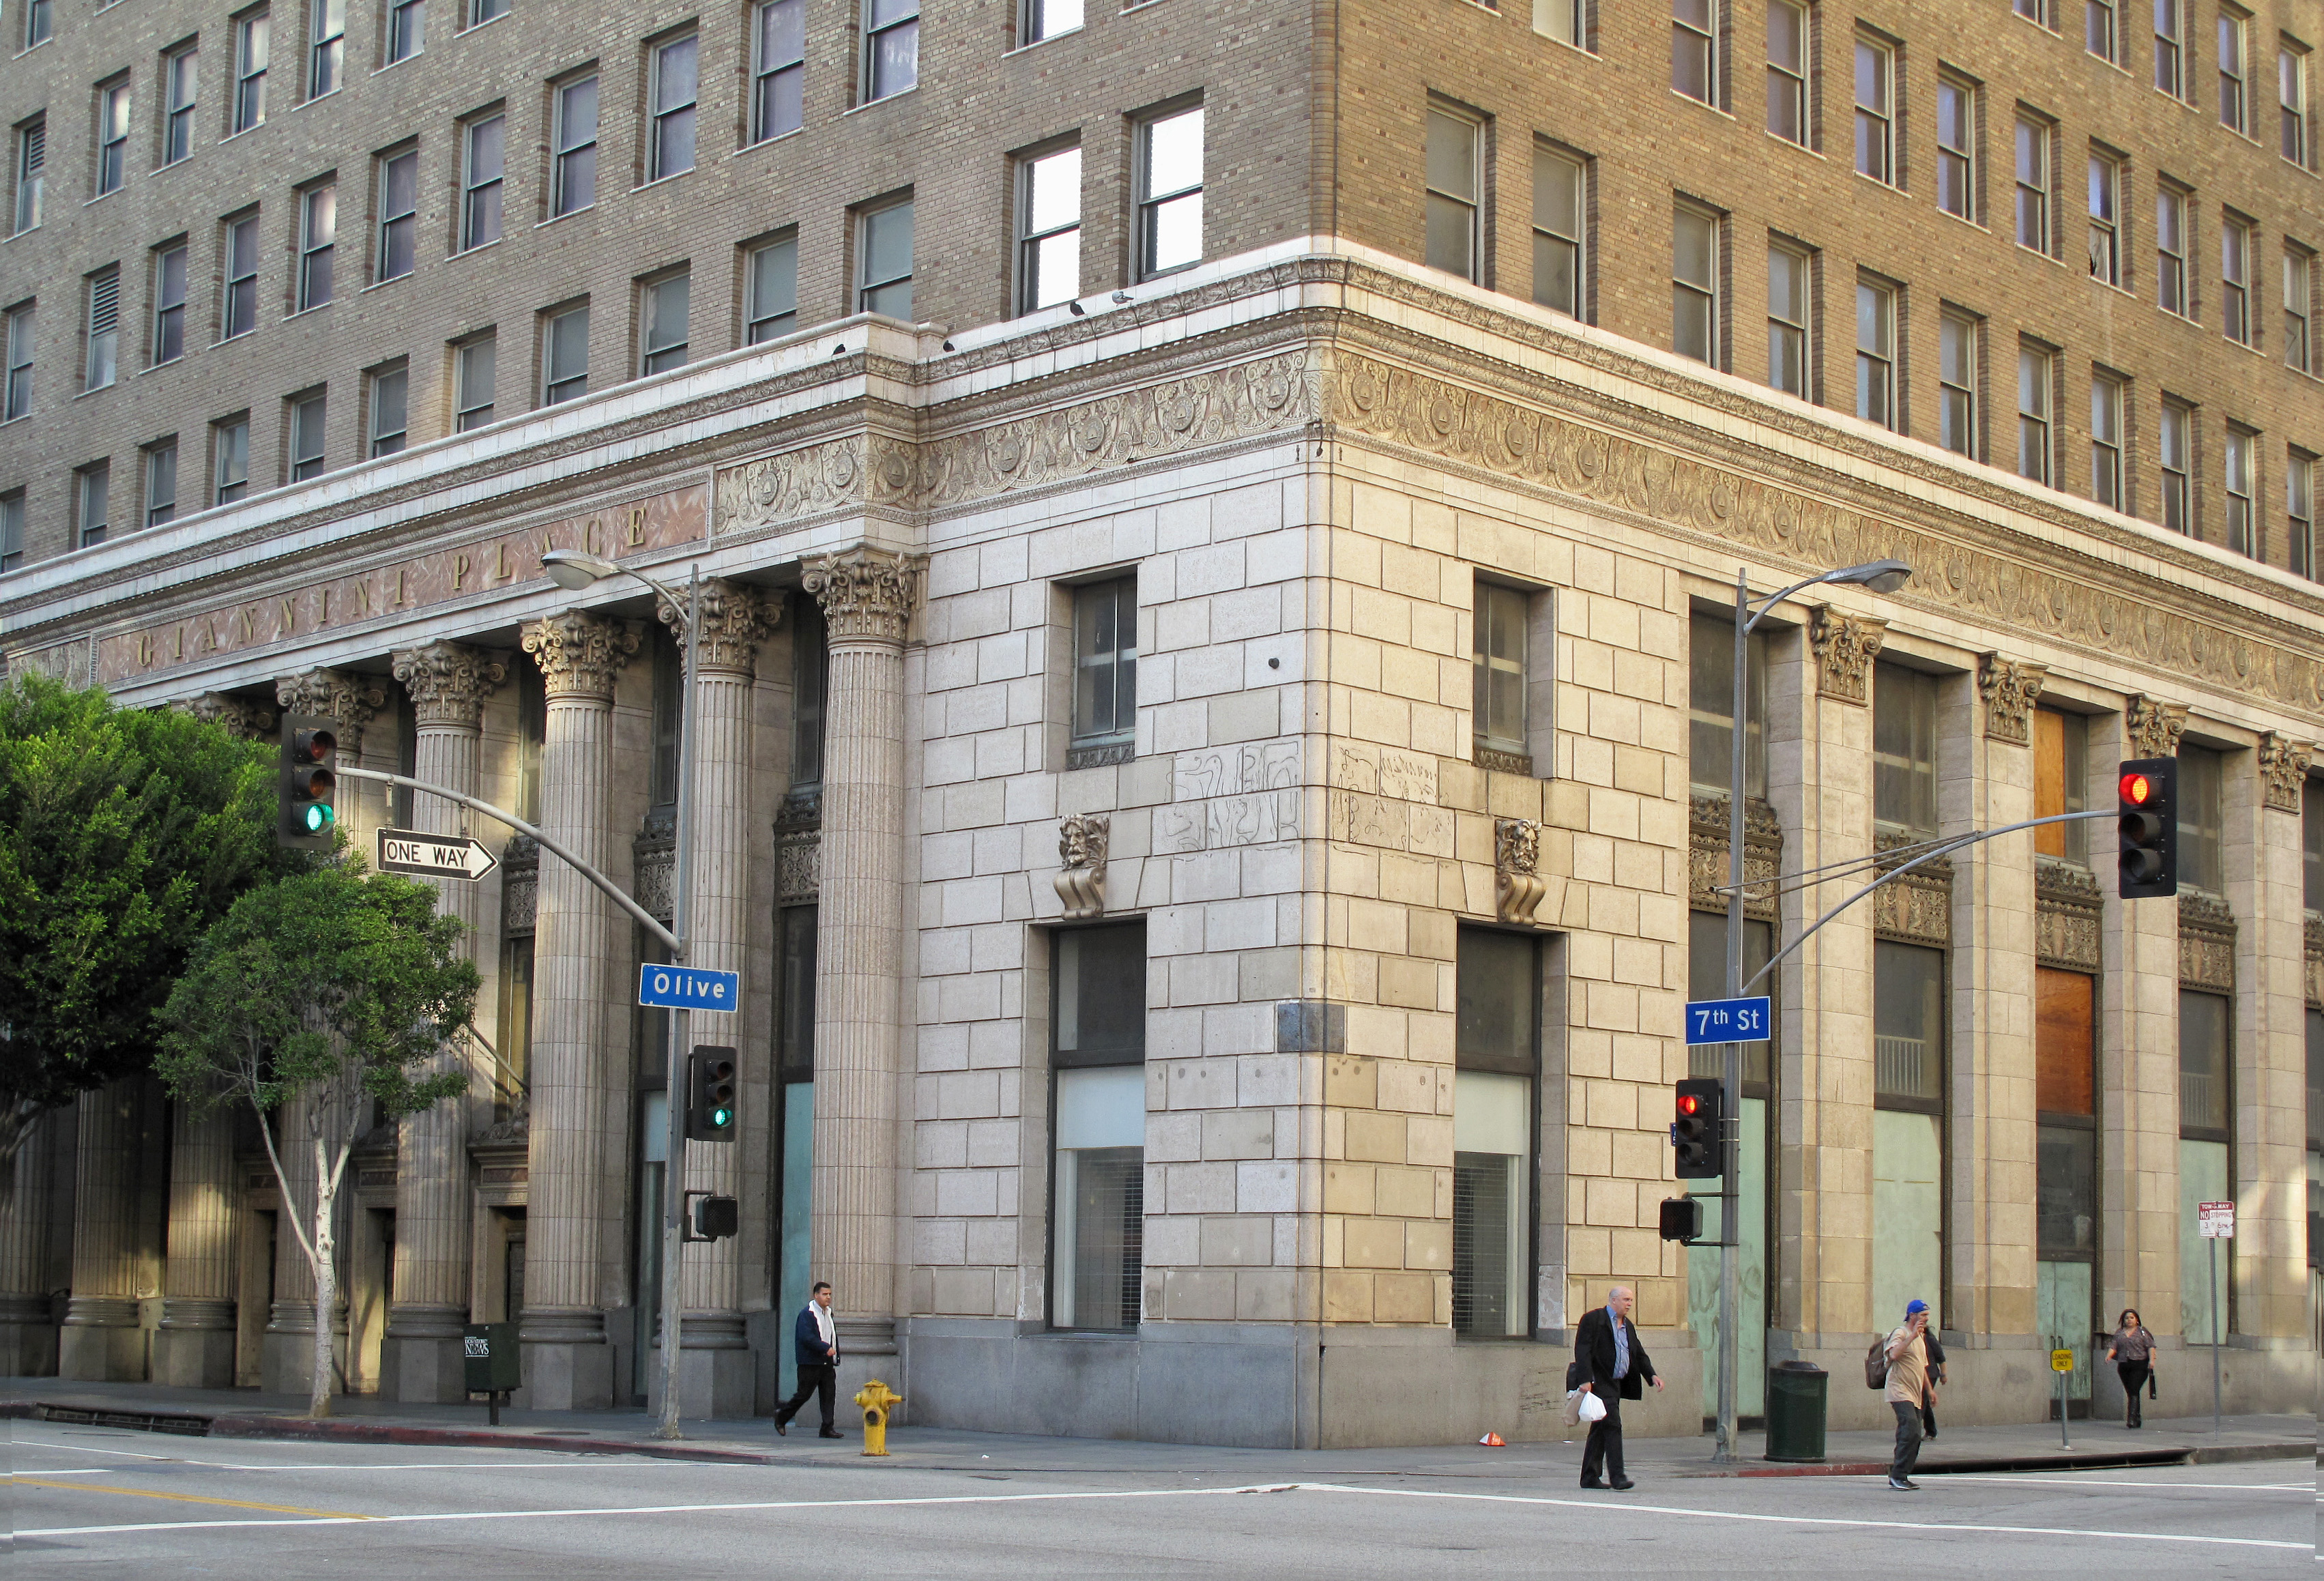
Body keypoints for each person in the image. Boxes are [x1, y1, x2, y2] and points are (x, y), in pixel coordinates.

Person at [1572, 1284, 1662, 1490]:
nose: (1629, 1304)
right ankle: (1618, 1476)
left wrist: (1652, 1375)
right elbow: (1583, 1349)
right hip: (1599, 1381)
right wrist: (1584, 1379)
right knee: (1613, 1425)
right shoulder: (1594, 1320)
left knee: (1600, 1429)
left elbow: (1638, 1353)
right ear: (1613, 1300)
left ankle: (1589, 1476)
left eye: (1631, 1300)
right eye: (1626, 1300)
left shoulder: (1627, 1325)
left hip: (1616, 1383)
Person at [774, 1280, 842, 1439]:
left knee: (828, 1396)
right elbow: (806, 1338)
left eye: (830, 1294)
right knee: (803, 1394)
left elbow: (830, 1335)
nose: (828, 1297)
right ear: (816, 1295)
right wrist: (825, 1348)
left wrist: (834, 1353)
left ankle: (827, 1427)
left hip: (826, 1362)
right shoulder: (807, 1314)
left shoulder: (828, 1313)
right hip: (810, 1362)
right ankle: (782, 1416)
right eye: (825, 1294)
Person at [1884, 1299, 1932, 1491]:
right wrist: (1911, 1336)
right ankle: (1898, 1475)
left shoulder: (1920, 1338)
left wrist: (1930, 1390)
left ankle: (1901, 1474)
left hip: (1915, 1393)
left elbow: (1922, 1367)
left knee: (1912, 1434)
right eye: (1923, 1316)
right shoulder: (1902, 1333)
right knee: (1910, 1428)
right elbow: (1894, 1354)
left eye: (1927, 1316)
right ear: (1912, 1315)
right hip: (1899, 1390)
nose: (1926, 1319)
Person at [2104, 1308, 2155, 1430]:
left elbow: (2151, 1346)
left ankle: (2131, 1419)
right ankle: (2137, 1417)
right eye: (2127, 1318)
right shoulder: (2119, 1333)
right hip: (2124, 1364)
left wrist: (2152, 1360)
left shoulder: (2142, 1332)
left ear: (2137, 1320)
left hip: (2140, 1364)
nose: (2129, 1320)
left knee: (2134, 1388)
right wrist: (2108, 1356)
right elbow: (2114, 1346)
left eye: (2132, 1318)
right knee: (2131, 1391)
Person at [1919, 1330, 1947, 1440]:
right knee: (1924, 1402)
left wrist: (1943, 1374)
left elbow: (1941, 1358)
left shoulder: (1929, 1339)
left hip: (1930, 1374)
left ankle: (1913, 1431)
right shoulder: (1911, 1339)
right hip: (1917, 1374)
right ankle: (1931, 1431)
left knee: (1922, 1402)